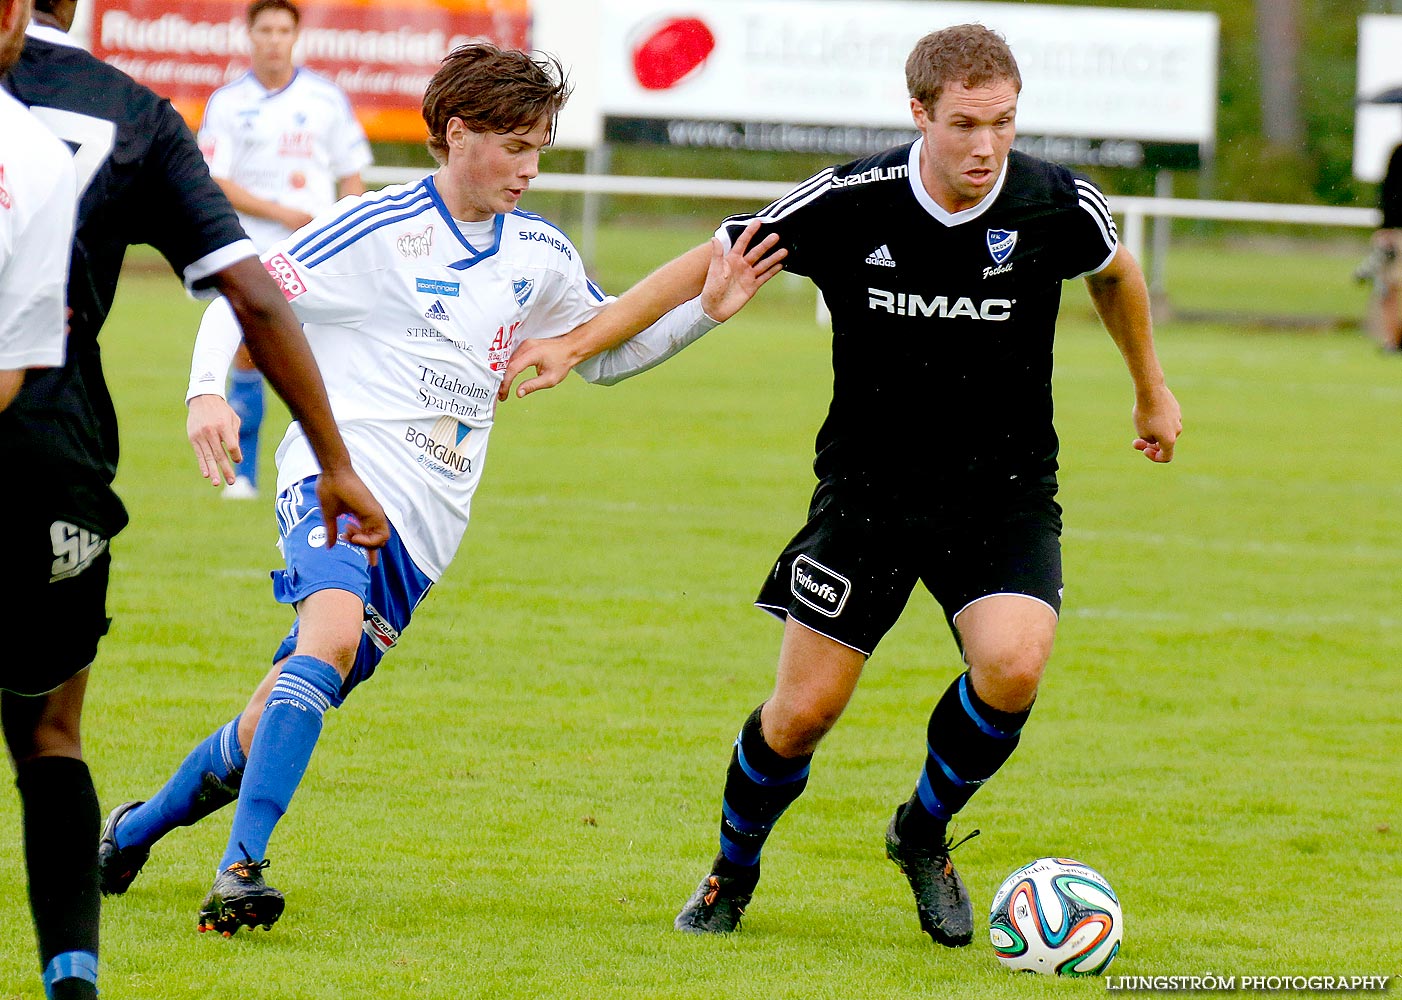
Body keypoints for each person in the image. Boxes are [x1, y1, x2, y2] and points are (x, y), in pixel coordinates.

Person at [500, 23, 1182, 947]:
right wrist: (577, 343)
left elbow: (1115, 270)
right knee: (802, 716)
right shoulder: (855, 199)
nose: (987, 147)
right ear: (919, 115)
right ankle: (730, 871)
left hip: (1004, 490)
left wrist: (1151, 388)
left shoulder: (1056, 202)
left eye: (1005, 124)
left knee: (1014, 666)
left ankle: (922, 831)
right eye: (966, 124)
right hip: (869, 497)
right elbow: (716, 256)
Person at [95, 41, 783, 939]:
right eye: (516, 146)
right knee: (331, 638)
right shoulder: (377, 228)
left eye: (541, 148)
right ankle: (241, 870)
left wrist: (705, 314)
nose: (531, 169)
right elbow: (245, 292)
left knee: (277, 708)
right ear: (458, 135)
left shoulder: (539, 253)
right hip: (336, 480)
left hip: (424, 534)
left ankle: (133, 830)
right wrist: (205, 391)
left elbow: (608, 354)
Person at [4, 3, 388, 995]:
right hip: (50, 456)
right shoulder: (117, 117)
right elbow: (252, 295)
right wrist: (338, 461)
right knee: (49, 734)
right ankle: (73, 979)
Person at [200, 0, 373, 498]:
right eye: (265, 30)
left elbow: (351, 173)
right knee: (250, 353)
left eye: (283, 30)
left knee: (330, 354)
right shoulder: (227, 103)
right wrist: (281, 213)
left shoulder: (326, 99)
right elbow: (217, 180)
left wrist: (351, 228)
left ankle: (338, 468)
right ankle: (245, 474)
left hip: (316, 250)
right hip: (250, 248)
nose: (274, 39)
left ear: (295, 36)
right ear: (249, 36)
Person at [1364, 141, 1402, 350]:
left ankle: (1393, 339)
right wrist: (1387, 227)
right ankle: (1392, 338)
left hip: (1395, 231)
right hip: (1397, 232)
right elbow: (1390, 193)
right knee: (1389, 287)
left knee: (1390, 288)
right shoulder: (1399, 153)